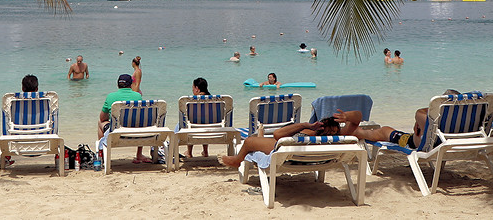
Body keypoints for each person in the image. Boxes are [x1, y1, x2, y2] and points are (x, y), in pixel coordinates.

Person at [218, 108, 428, 168]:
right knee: (263, 140)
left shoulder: (311, 133)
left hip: (288, 153)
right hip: (323, 158)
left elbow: (279, 135)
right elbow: (359, 118)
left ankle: (237, 160)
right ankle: (259, 135)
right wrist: (346, 118)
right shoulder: (341, 138)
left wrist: (305, 125)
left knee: (249, 142)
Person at [98, 73, 143, 139]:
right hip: (134, 130)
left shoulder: (111, 96)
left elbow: (102, 118)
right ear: (131, 85)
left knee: (100, 122)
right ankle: (139, 150)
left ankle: (102, 148)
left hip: (116, 131)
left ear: (117, 85)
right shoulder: (138, 96)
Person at [182, 77, 212, 159]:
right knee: (205, 121)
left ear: (197, 89)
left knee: (191, 122)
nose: (192, 90)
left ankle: (189, 152)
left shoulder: (191, 102)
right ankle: (205, 151)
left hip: (194, 128)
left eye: (193, 87)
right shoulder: (212, 100)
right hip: (209, 128)